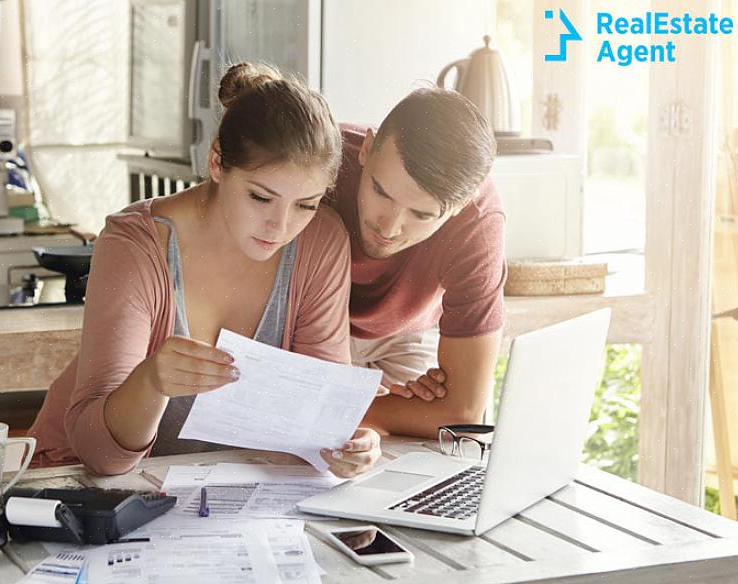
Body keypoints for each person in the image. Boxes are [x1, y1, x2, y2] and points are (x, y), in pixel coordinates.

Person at [28, 63, 380, 478]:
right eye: (260, 197)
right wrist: (151, 382)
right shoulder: (135, 245)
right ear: (217, 162)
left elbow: (313, 421)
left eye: (305, 204)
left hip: (211, 496)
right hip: (80, 486)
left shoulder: (321, 241)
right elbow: (101, 458)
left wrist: (347, 445)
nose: (280, 226)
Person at [328, 88, 506, 439]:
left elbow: (462, 413)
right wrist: (381, 410)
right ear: (366, 148)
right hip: (309, 326)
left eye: (421, 214)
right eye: (381, 191)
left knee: (418, 457)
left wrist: (338, 408)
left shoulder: (478, 222)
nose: (388, 227)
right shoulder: (321, 157)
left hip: (404, 334)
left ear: (460, 206)